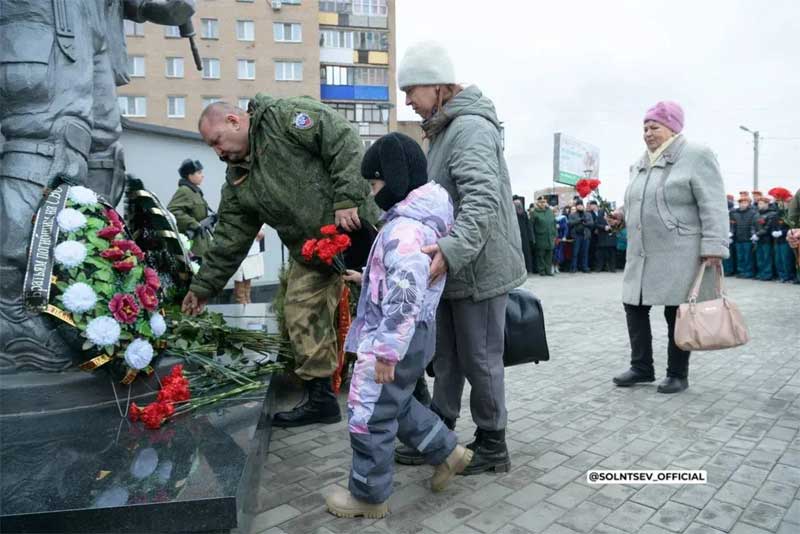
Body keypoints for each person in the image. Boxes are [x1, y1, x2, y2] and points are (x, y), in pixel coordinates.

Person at [181, 96, 379, 428]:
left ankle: (411, 390)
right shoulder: (237, 181)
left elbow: (341, 140)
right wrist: (203, 287)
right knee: (300, 311)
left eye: (217, 141)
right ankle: (321, 398)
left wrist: (347, 198)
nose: (217, 152)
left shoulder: (283, 119)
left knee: (381, 309)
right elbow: (230, 237)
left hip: (356, 230)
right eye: (211, 147)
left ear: (234, 121)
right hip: (312, 251)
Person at [325, 133, 471, 519]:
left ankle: (369, 496)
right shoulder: (417, 223)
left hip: (393, 337)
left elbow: (404, 295)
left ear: (393, 178)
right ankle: (447, 452)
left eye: (374, 184)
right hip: (413, 333)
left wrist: (386, 352)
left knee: (369, 412)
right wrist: (368, 278)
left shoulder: (404, 229)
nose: (372, 193)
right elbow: (402, 282)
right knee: (396, 403)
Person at [397, 41, 526, 474]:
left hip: (478, 268)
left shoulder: (470, 128)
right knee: (447, 358)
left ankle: (493, 443)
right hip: (452, 269)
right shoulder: (443, 131)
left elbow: (481, 200)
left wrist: (450, 250)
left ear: (437, 85)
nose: (408, 101)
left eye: (411, 90)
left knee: (480, 359)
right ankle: (439, 434)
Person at [608, 101, 728, 394]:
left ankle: (677, 374)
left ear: (673, 128)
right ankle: (641, 367)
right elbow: (640, 198)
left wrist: (714, 246)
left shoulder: (696, 155)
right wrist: (621, 215)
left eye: (654, 127)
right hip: (643, 252)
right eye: (645, 128)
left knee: (676, 311)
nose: (648, 133)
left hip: (680, 249)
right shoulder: (640, 162)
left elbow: (713, 204)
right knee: (633, 304)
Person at [168, 159, 216, 260]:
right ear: (190, 175)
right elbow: (173, 211)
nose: (202, 176)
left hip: (202, 243)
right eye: (199, 173)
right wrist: (193, 224)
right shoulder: (184, 191)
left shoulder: (195, 192)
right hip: (194, 245)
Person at [230, 227, 266, 304]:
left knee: (248, 271)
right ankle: (241, 301)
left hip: (251, 240)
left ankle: (247, 300)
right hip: (238, 235)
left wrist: (260, 229)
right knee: (239, 273)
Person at [772, 194, 797, 283]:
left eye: (782, 202)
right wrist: (773, 231)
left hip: (786, 240)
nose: (780, 204)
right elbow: (773, 225)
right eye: (778, 202)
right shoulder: (777, 214)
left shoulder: (790, 214)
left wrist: (782, 232)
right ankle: (782, 276)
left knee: (787, 259)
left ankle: (789, 276)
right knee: (778, 260)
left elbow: (793, 227)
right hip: (777, 241)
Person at [730, 194, 757, 279]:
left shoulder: (752, 213)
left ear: (748, 203)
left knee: (748, 257)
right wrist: (731, 233)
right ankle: (741, 271)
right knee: (740, 256)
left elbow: (753, 225)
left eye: (745, 202)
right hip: (738, 238)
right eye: (741, 202)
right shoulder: (735, 213)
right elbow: (733, 225)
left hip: (748, 238)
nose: (743, 204)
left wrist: (753, 234)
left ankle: (748, 272)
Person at [531, 196, 556, 276]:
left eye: (544, 202)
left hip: (550, 237)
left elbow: (554, 223)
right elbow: (531, 226)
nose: (542, 204)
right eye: (541, 202)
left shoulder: (550, 212)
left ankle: (548, 271)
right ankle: (542, 270)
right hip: (540, 237)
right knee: (541, 255)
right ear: (537, 203)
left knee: (549, 255)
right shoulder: (534, 213)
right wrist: (533, 238)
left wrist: (555, 234)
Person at [754, 196, 776, 281]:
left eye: (761, 203)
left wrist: (757, 234)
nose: (759, 205)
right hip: (758, 240)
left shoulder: (771, 214)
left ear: (767, 204)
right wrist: (753, 234)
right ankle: (761, 273)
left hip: (767, 240)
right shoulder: (756, 214)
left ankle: (767, 274)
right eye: (759, 204)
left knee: (767, 258)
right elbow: (753, 226)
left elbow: (767, 227)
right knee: (759, 257)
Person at [568, 200, 593, 273]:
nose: (580, 206)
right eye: (578, 205)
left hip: (586, 235)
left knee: (585, 253)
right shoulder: (572, 215)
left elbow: (591, 223)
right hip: (576, 235)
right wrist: (579, 220)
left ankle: (585, 267)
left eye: (581, 205)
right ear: (576, 206)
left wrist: (585, 223)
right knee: (575, 253)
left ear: (583, 205)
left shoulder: (588, 214)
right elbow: (570, 223)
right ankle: (574, 267)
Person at [513, 197, 536, 273]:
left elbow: (528, 226)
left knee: (524, 253)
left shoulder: (523, 214)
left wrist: (531, 237)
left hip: (522, 236)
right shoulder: (521, 214)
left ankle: (525, 269)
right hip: (520, 236)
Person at [594, 205, 617, 273]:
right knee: (601, 255)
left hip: (611, 238)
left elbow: (618, 224)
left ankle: (612, 268)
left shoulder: (613, 216)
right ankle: (599, 268)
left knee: (612, 254)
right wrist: (604, 227)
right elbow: (596, 224)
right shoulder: (600, 216)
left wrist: (612, 225)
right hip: (603, 238)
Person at [554, 207, 569, 273]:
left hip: (560, 237)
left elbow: (566, 228)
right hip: (553, 237)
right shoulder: (551, 218)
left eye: (557, 211)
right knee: (553, 252)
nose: (555, 213)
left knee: (559, 253)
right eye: (554, 212)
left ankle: (557, 266)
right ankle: (552, 266)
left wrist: (564, 236)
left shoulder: (563, 218)